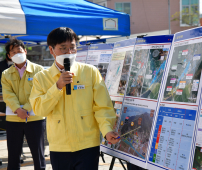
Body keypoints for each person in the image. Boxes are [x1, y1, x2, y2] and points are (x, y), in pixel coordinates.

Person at [29, 27, 120, 170]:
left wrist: (107, 130)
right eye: (63, 48)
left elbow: (103, 106)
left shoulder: (90, 72)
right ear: (52, 50)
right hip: (60, 146)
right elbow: (39, 110)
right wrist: (57, 87)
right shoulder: (41, 78)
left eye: (72, 47)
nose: (69, 52)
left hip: (88, 144)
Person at [1, 38, 46, 170]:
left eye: (19, 51)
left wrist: (25, 109)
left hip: (35, 118)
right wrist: (17, 109)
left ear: (25, 51)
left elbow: (39, 92)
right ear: (9, 56)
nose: (17, 54)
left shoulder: (39, 70)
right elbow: (8, 94)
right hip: (13, 119)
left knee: (38, 155)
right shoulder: (6, 74)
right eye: (13, 52)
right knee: (13, 156)